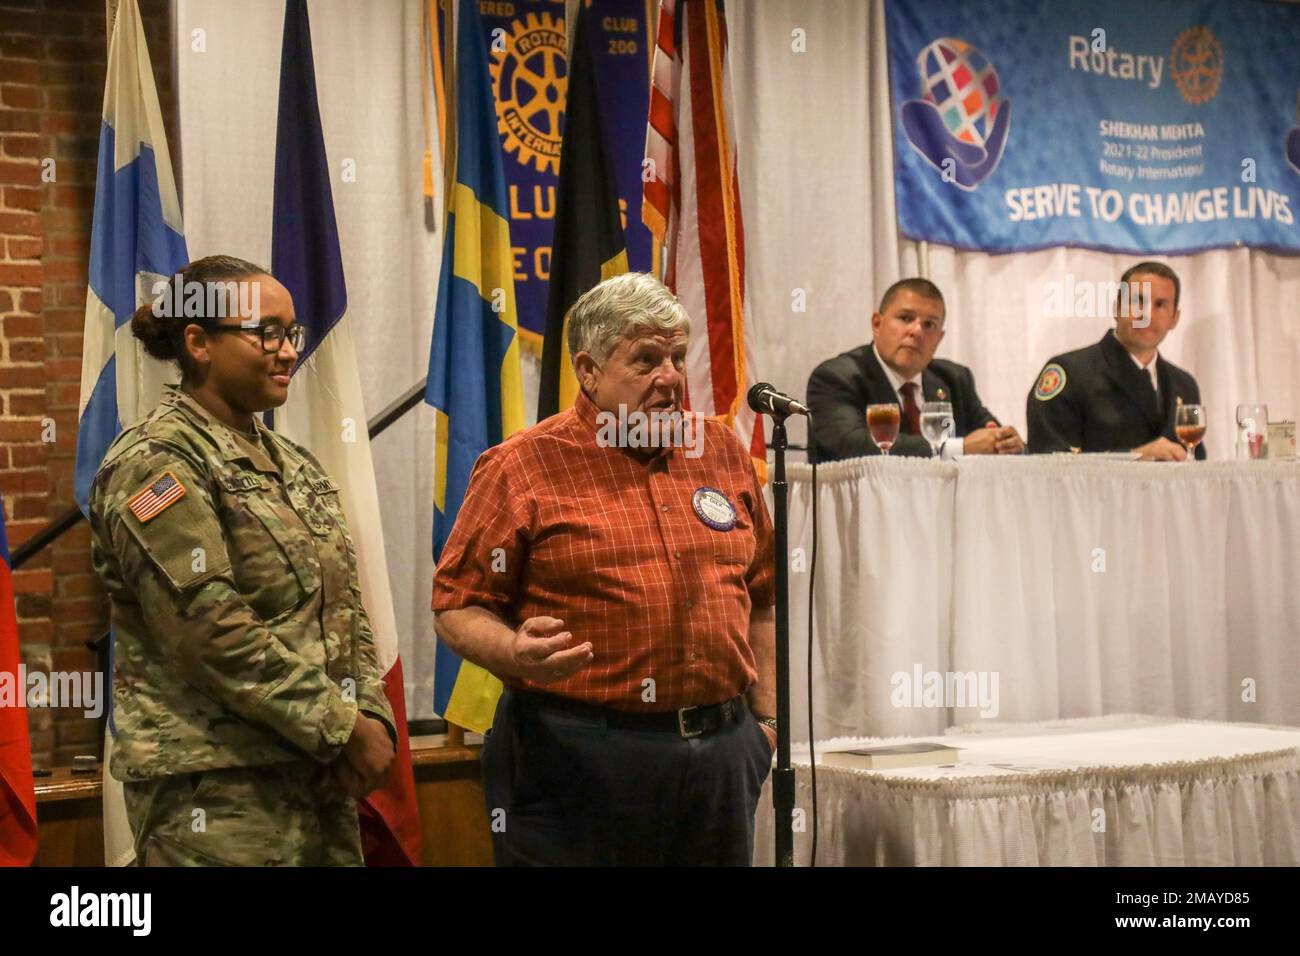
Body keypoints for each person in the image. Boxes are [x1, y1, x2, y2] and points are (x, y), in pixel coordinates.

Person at [432, 272, 776, 866]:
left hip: (721, 754)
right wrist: (513, 651)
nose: (669, 377)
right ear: (588, 370)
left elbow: (763, 595)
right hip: (577, 757)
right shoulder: (522, 466)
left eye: (675, 357)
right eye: (645, 360)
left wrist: (765, 723)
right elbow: (455, 604)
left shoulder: (719, 451)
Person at [87, 255, 396, 866]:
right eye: (267, 333)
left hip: (316, 779)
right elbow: (207, 631)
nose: (287, 351)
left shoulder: (291, 461)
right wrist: (340, 727)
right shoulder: (157, 462)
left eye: (292, 333)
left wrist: (372, 715)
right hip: (217, 794)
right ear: (199, 342)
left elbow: (345, 607)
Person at [807, 278, 1023, 462]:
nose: (917, 331)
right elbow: (853, 446)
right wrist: (958, 448)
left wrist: (1006, 442)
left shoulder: (954, 379)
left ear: (940, 337)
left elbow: (989, 434)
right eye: (906, 318)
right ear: (876, 323)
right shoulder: (836, 377)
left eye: (929, 325)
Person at [1026, 261, 1204, 460]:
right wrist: (1134, 457)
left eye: (1160, 305)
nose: (1146, 315)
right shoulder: (1069, 373)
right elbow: (1047, 459)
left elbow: (1196, 467)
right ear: (1117, 308)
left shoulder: (1184, 385)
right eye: (1137, 301)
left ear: (1175, 318)